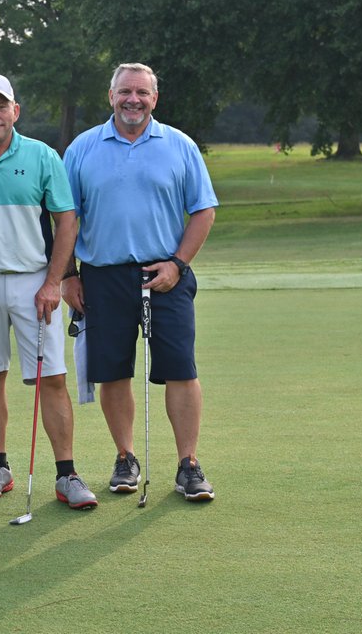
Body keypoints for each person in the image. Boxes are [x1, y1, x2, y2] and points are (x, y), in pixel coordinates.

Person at [62, 62, 219, 502]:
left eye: (142, 93)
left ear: (155, 99)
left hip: (165, 273)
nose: (134, 100)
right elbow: (65, 217)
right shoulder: (82, 148)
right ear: (110, 96)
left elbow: (203, 210)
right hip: (101, 276)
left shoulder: (179, 145)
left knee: (181, 370)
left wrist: (177, 264)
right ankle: (125, 456)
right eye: (125, 92)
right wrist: (68, 275)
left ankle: (188, 464)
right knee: (113, 372)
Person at [0, 74, 97, 510]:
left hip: (33, 281)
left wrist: (54, 281)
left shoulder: (40, 155)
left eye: (2, 107)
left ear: (15, 111)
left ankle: (67, 474)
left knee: (51, 377)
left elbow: (66, 222)